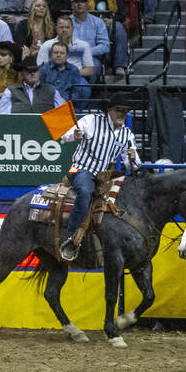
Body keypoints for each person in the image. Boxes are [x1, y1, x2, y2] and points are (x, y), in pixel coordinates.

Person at [57, 100, 139, 261]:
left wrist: (133, 157)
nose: (122, 114)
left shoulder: (127, 134)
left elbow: (133, 165)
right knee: (85, 192)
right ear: (109, 110)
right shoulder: (91, 120)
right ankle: (71, 237)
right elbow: (65, 136)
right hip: (80, 168)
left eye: (125, 111)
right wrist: (74, 135)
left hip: (102, 175)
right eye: (118, 109)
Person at [0, 56, 64, 114]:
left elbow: (63, 115)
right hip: (17, 128)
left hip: (45, 128)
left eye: (35, 70)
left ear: (39, 71)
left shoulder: (52, 90)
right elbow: (3, 117)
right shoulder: (10, 91)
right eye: (29, 70)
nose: (32, 73)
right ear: (22, 72)